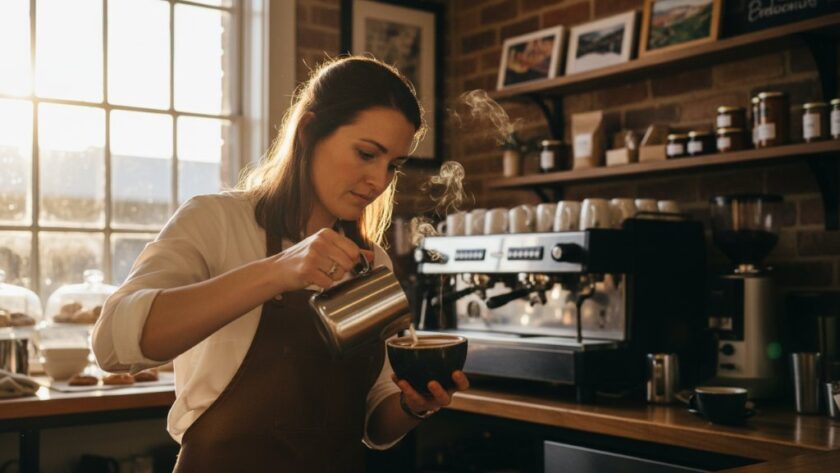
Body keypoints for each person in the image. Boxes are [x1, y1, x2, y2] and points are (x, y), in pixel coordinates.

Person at [92, 55, 470, 472]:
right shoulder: (216, 221)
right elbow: (112, 343)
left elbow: (375, 424)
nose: (379, 182)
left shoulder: (370, 262)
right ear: (309, 132)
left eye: (392, 166)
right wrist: (278, 271)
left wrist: (413, 405)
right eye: (366, 154)